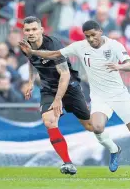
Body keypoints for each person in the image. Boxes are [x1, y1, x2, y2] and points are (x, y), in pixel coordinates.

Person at [19, 20, 130, 178]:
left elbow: (129, 65)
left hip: (119, 95)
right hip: (99, 97)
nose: (90, 39)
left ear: (101, 31)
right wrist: (32, 55)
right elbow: (54, 54)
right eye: (87, 36)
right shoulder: (80, 46)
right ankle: (114, 150)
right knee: (96, 127)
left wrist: (119, 66)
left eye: (93, 35)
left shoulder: (114, 45)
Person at [21, 16, 93, 175]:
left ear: (41, 30)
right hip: (48, 88)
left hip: (69, 86)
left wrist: (58, 99)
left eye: (34, 29)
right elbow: (32, 61)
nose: (31, 33)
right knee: (49, 121)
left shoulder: (53, 45)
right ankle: (68, 163)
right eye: (27, 30)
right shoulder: (25, 46)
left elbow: (65, 75)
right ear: (24, 31)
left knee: (91, 126)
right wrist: (31, 81)